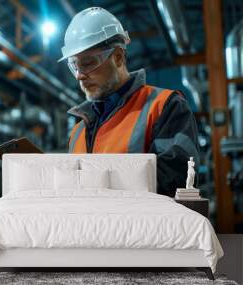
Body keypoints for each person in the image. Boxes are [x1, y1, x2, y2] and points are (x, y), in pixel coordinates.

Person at [58, 7, 199, 197]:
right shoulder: (78, 132)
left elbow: (178, 179)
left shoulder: (164, 106)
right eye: (74, 65)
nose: (79, 76)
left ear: (117, 57)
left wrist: (98, 183)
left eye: (88, 63)